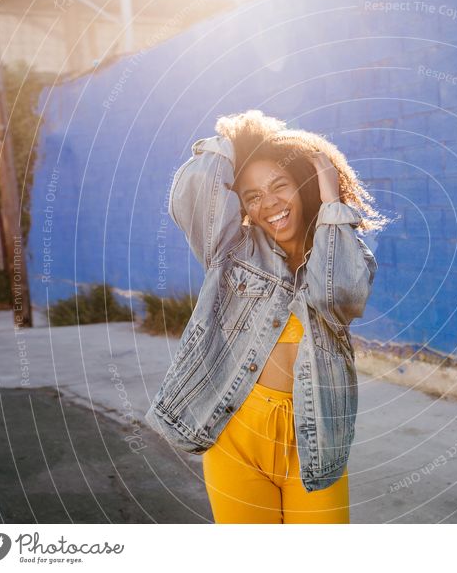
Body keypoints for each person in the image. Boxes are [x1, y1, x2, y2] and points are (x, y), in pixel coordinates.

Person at [147, 110, 386, 524]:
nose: (269, 204)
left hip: (315, 440)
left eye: (279, 186)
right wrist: (231, 145)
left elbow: (340, 298)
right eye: (252, 195)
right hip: (237, 434)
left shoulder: (346, 251)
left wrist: (330, 197)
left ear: (303, 187)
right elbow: (193, 191)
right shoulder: (232, 250)